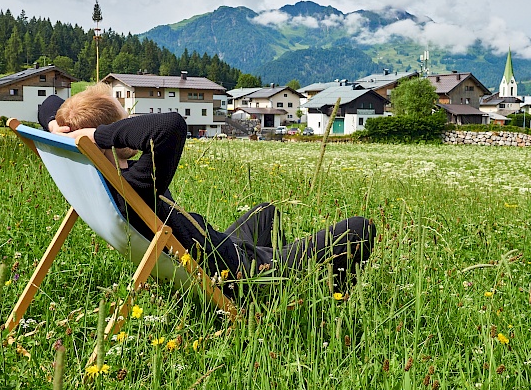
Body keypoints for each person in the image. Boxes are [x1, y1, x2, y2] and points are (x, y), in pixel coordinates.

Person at [38, 84, 375, 295]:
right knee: (360, 228)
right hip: (236, 273)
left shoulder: (98, 177)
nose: (132, 121)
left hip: (220, 250)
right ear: (115, 133)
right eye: (126, 119)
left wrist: (58, 127)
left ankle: (281, 284)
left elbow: (47, 107)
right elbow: (169, 126)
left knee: (265, 211)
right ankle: (316, 297)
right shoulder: (135, 185)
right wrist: (96, 136)